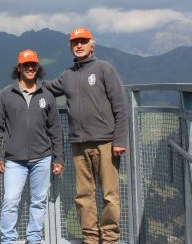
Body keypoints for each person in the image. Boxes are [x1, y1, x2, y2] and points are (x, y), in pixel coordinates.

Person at [43, 27, 129, 244]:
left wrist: (119, 140)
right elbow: (51, 87)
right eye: (75, 42)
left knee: (110, 195)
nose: (79, 45)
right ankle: (90, 239)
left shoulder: (104, 69)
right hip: (78, 144)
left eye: (83, 41)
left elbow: (120, 106)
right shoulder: (68, 75)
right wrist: (28, 81)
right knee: (83, 195)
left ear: (92, 45)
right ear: (71, 46)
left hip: (106, 142)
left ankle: (110, 239)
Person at [0, 49, 64, 244]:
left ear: (38, 68)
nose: (30, 68)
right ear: (19, 68)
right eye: (26, 65)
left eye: (33, 65)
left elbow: (55, 129)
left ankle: (34, 239)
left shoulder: (47, 95)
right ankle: (8, 240)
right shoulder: (6, 94)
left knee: (38, 202)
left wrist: (58, 158)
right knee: (11, 201)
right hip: (14, 160)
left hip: (43, 157)